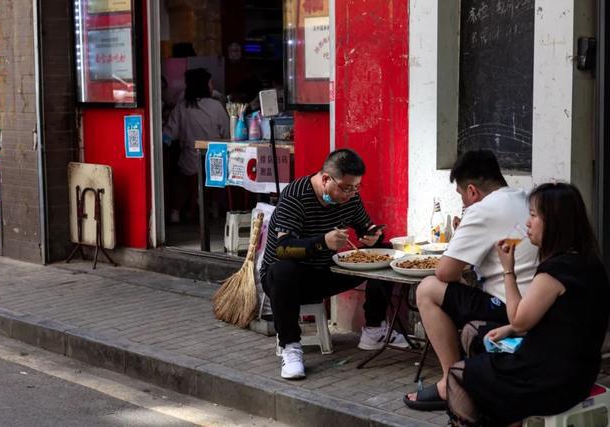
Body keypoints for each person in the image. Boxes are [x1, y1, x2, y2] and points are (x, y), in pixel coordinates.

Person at [446, 182, 610, 426]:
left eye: (533, 216)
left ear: (554, 222)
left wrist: (508, 270)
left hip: (549, 381)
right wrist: (510, 329)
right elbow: (558, 320)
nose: (527, 224)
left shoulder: (554, 272)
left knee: (457, 374)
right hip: (578, 373)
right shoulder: (589, 262)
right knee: (478, 335)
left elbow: (519, 320)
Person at [404, 150, 539, 410]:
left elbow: (445, 272)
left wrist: (464, 229)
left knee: (428, 289)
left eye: (462, 197)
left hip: (509, 306)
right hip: (535, 300)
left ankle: (449, 383)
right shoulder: (523, 198)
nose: (464, 204)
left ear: (472, 191)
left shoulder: (482, 210)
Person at [260, 149, 408, 380]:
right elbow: (283, 248)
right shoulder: (295, 196)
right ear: (326, 178)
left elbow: (364, 228)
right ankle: (291, 347)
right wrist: (322, 243)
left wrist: (373, 236)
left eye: (356, 187)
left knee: (385, 252)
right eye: (345, 188)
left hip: (326, 271)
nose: (350, 194)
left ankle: (373, 329)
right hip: (288, 281)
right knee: (283, 270)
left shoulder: (350, 198)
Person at [163, 68, 229, 223]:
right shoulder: (216, 106)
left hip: (190, 160)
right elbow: (227, 134)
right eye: (210, 82)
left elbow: (169, 135)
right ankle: (213, 206)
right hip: (214, 162)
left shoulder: (182, 107)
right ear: (205, 85)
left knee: (180, 177)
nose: (212, 86)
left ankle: (176, 211)